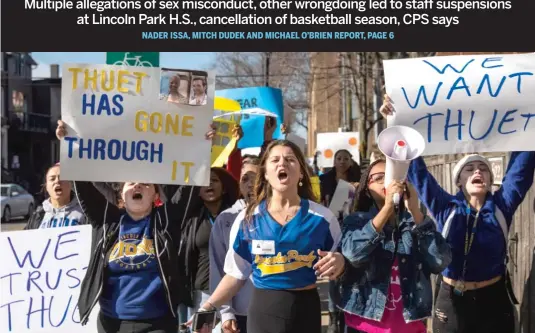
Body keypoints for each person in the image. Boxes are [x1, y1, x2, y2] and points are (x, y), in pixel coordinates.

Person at [380, 95, 535, 333]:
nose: (477, 171)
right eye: (469, 169)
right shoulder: (445, 207)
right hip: (451, 302)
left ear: (491, 180)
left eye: (483, 168)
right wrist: (395, 120)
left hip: (494, 302)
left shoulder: (502, 205)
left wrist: (530, 120)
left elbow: (520, 170)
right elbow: (417, 171)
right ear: (459, 181)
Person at [55, 120, 215, 333]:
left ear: (155, 195)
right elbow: (83, 187)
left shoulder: (165, 221)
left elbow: (189, 188)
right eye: (131, 183)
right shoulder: (108, 221)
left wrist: (203, 148)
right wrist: (69, 145)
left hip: (157, 323)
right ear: (122, 194)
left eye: (146, 183)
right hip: (111, 323)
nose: (138, 185)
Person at [191, 139, 346, 333]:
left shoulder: (323, 218)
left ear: (300, 172)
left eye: (290, 159)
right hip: (263, 312)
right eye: (275, 160)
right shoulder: (247, 219)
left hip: (307, 312)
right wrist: (208, 307)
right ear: (265, 173)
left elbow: (343, 263)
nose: (282, 163)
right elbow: (235, 274)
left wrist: (340, 262)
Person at [338, 159, 452, 333]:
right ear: (367, 188)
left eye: (394, 176)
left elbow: (440, 261)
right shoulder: (357, 220)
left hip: (409, 326)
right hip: (365, 325)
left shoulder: (415, 223)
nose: (388, 181)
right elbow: (353, 254)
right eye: (380, 177)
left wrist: (415, 211)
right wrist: (387, 209)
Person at [178, 167, 239, 325]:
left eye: (214, 180)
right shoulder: (190, 217)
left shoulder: (236, 215)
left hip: (233, 291)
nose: (209, 184)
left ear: (224, 188)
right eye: (204, 181)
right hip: (202, 293)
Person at [209, 156, 260, 333]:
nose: (250, 184)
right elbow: (219, 267)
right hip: (240, 315)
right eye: (245, 179)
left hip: (273, 312)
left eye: (256, 178)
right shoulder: (226, 219)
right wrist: (226, 312)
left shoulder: (282, 215)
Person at [319, 149, 361, 333]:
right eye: (339, 158)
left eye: (346, 158)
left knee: (351, 272)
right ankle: (333, 316)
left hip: (353, 230)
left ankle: (349, 314)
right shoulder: (324, 180)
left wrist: (357, 189)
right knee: (333, 273)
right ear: (334, 161)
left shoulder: (359, 178)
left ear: (351, 162)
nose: (342, 161)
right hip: (330, 229)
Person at [24, 162, 86, 229]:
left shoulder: (85, 214)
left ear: (71, 184)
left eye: (62, 178)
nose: (57, 181)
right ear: (46, 186)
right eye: (52, 179)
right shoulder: (37, 215)